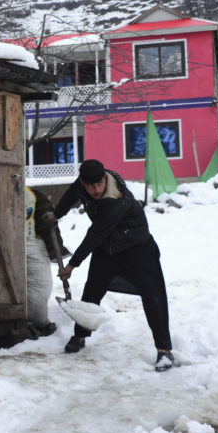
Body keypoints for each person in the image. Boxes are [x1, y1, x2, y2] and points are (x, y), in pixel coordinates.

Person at [42, 159, 174, 371]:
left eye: (99, 185)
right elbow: (70, 195)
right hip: (108, 246)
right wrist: (57, 215)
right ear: (83, 182)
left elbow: (94, 235)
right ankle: (80, 336)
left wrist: (72, 265)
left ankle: (164, 351)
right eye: (90, 186)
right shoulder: (83, 183)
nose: (96, 190)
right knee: (92, 290)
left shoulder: (113, 200)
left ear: (105, 179)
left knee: (153, 295)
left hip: (137, 247)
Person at [25, 187, 58, 338]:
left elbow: (49, 224)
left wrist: (55, 249)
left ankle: (36, 320)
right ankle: (30, 321)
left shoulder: (32, 195)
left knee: (40, 285)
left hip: (31, 242)